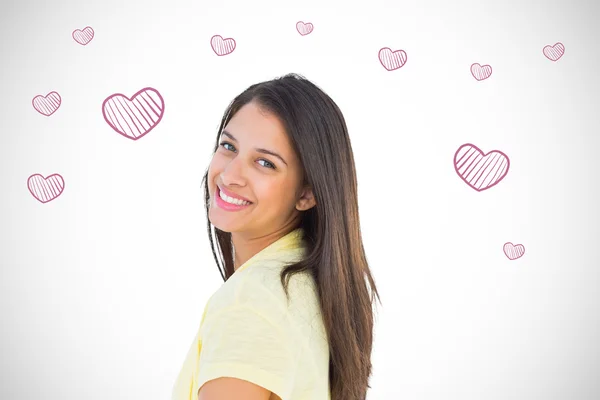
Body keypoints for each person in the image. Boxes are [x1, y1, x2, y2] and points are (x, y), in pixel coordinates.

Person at [171, 73, 382, 400]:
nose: (229, 175)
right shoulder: (305, 284)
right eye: (228, 146)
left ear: (307, 193)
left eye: (264, 163)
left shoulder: (250, 302)